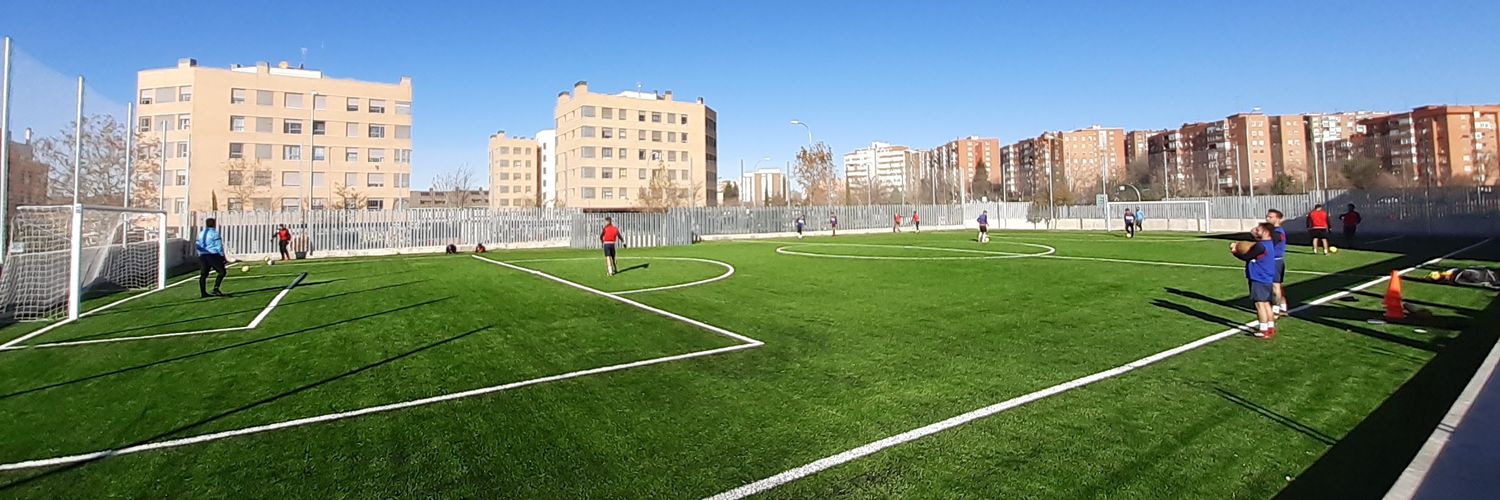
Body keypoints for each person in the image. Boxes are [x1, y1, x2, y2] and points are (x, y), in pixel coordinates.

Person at [1231, 222, 1279, 339]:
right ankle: (1270, 327)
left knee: (1259, 304)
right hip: (1266, 277)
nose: (1256, 231)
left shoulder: (1260, 246)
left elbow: (1247, 257)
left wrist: (1235, 251)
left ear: (1266, 232)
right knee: (1266, 303)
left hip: (1259, 277)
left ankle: (1263, 330)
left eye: (1259, 229)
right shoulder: (1267, 244)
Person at [196, 218, 228, 299]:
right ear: (214, 224)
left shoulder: (201, 233)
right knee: (222, 272)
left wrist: (200, 254)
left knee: (203, 274)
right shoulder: (214, 233)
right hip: (213, 255)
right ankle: (216, 289)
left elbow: (197, 244)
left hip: (203, 255)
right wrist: (222, 256)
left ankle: (203, 293)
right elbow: (219, 246)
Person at [1266, 209, 1290, 315]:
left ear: (1278, 219)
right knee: (1278, 285)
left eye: (1271, 217)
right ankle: (1283, 306)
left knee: (1275, 286)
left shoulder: (1277, 232)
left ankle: (1275, 309)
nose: (1268, 218)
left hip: (1274, 262)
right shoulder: (1276, 231)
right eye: (1267, 216)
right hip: (1277, 261)